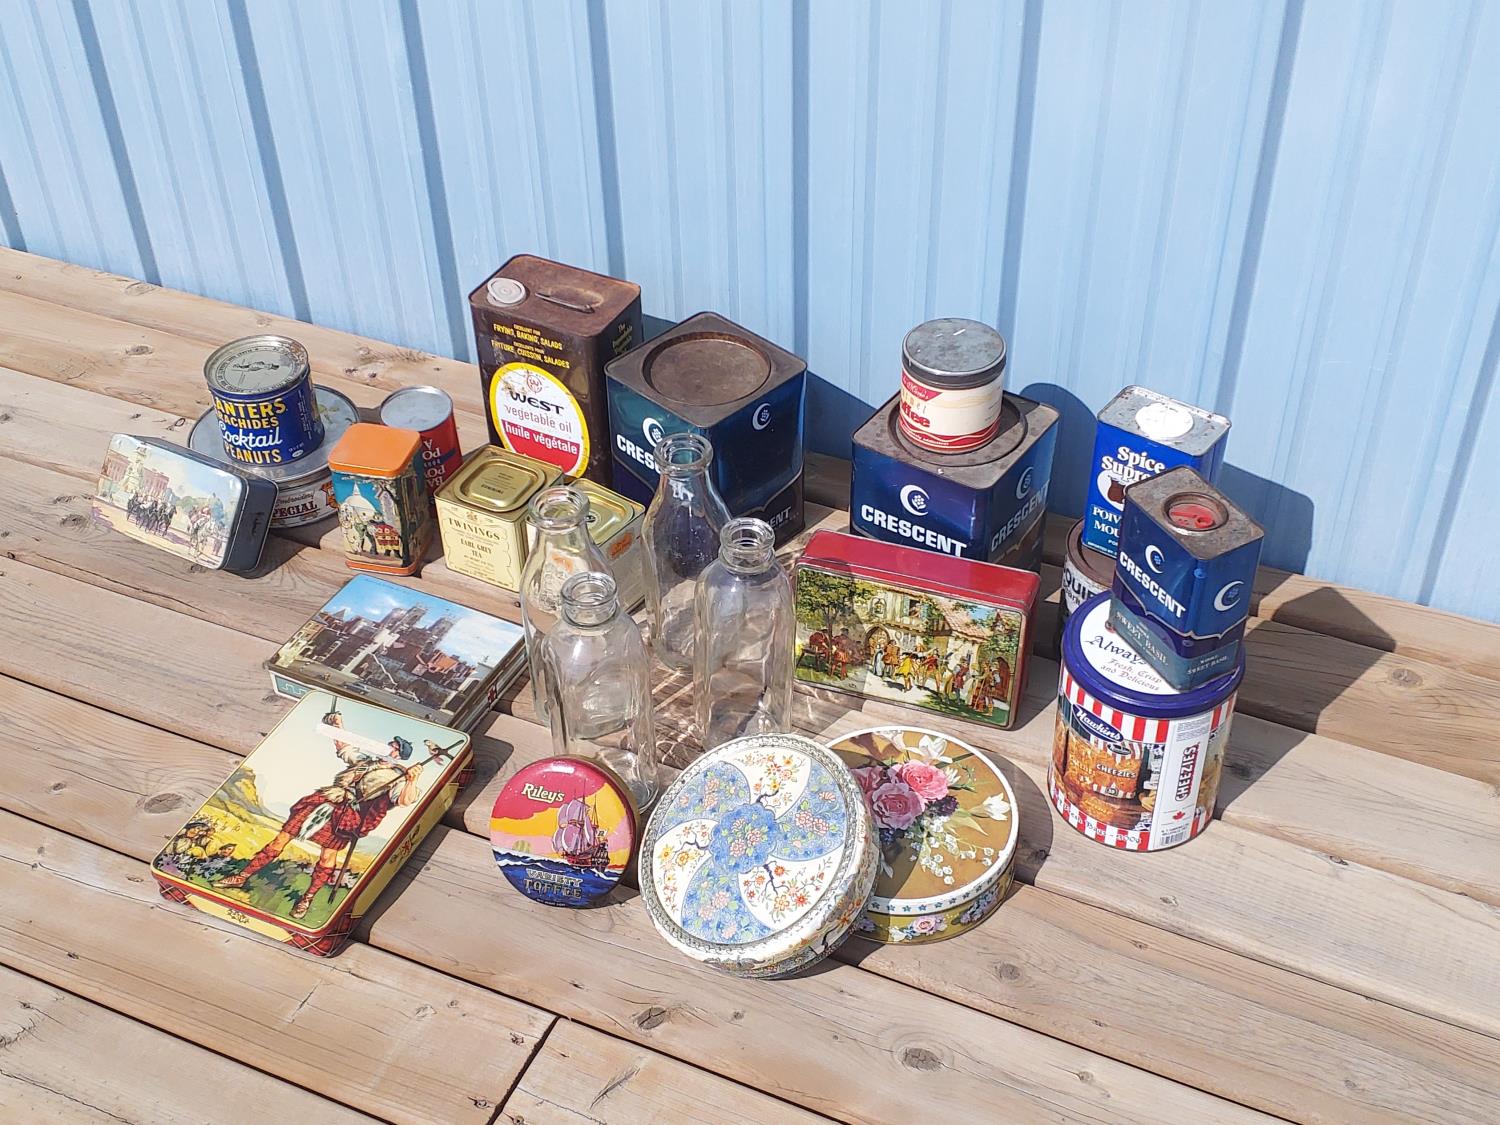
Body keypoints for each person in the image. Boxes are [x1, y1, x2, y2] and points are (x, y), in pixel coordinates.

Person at [217, 716, 424, 919]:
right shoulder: (365, 761)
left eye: (394, 749)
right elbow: (344, 748)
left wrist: (412, 780)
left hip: (346, 815)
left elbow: (405, 800)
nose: (389, 749)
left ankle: (307, 899)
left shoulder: (398, 777)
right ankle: (242, 876)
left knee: (327, 857)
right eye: (389, 745)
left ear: (399, 756)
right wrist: (338, 725)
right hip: (325, 799)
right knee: (281, 839)